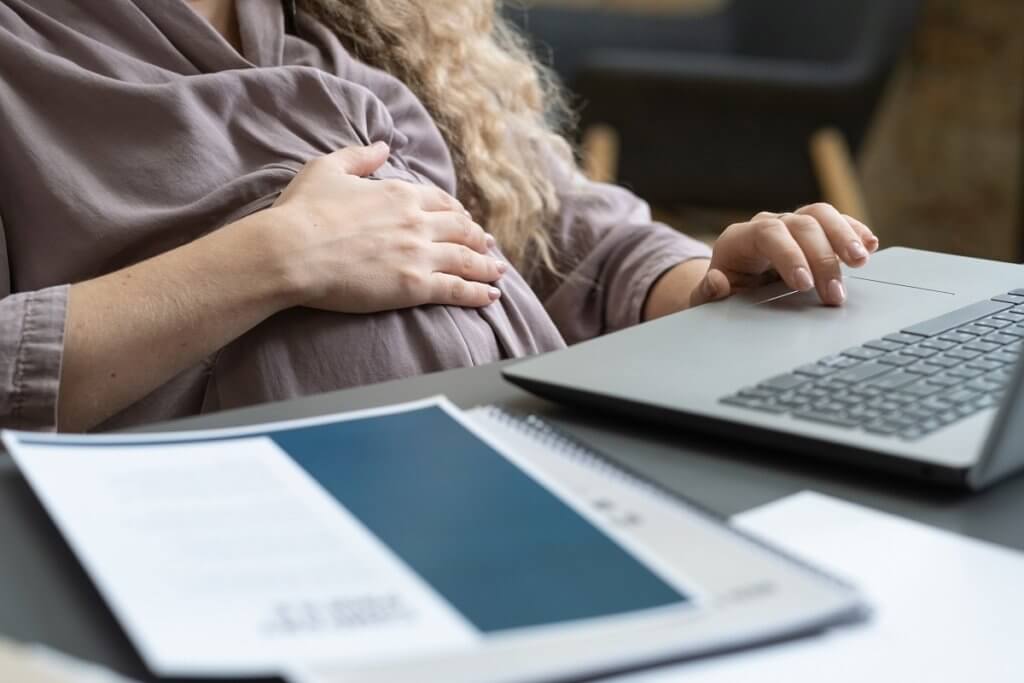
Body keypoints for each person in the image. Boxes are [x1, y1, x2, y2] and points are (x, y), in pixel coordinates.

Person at [0, 0, 878, 433]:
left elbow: (568, 228)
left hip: (552, 468)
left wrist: (708, 283)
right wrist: (275, 258)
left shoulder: (370, 17)